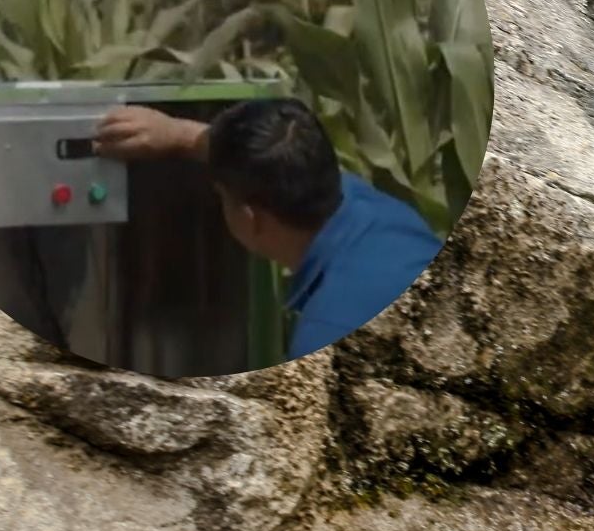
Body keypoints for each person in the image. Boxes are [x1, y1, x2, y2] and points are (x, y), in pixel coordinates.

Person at [93, 99, 443, 361]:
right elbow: (277, 155)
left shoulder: (326, 336)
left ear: (250, 219)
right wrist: (179, 134)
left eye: (222, 197)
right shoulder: (381, 211)